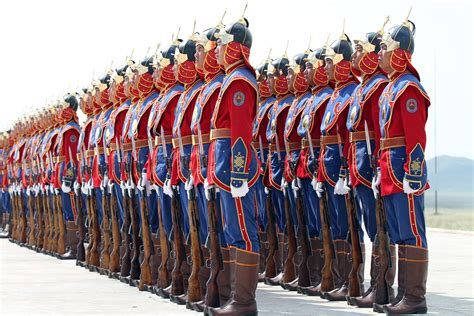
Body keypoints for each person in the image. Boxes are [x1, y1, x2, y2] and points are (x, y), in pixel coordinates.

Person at [375, 15, 430, 315]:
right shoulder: (391, 87)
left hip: (403, 170)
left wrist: (415, 171)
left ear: (398, 51)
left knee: (412, 230)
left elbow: (416, 136)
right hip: (389, 168)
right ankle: (404, 295)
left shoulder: (409, 88)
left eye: (384, 48)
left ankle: (415, 297)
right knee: (399, 231)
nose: (379, 54)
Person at [205, 15, 259, 316]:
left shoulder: (239, 80)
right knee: (230, 229)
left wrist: (238, 171)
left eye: (224, 45)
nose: (217, 51)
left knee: (242, 230)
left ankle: (243, 301)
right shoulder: (231, 78)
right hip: (224, 162)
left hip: (234, 166)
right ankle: (231, 297)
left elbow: (240, 129)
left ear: (237, 48)